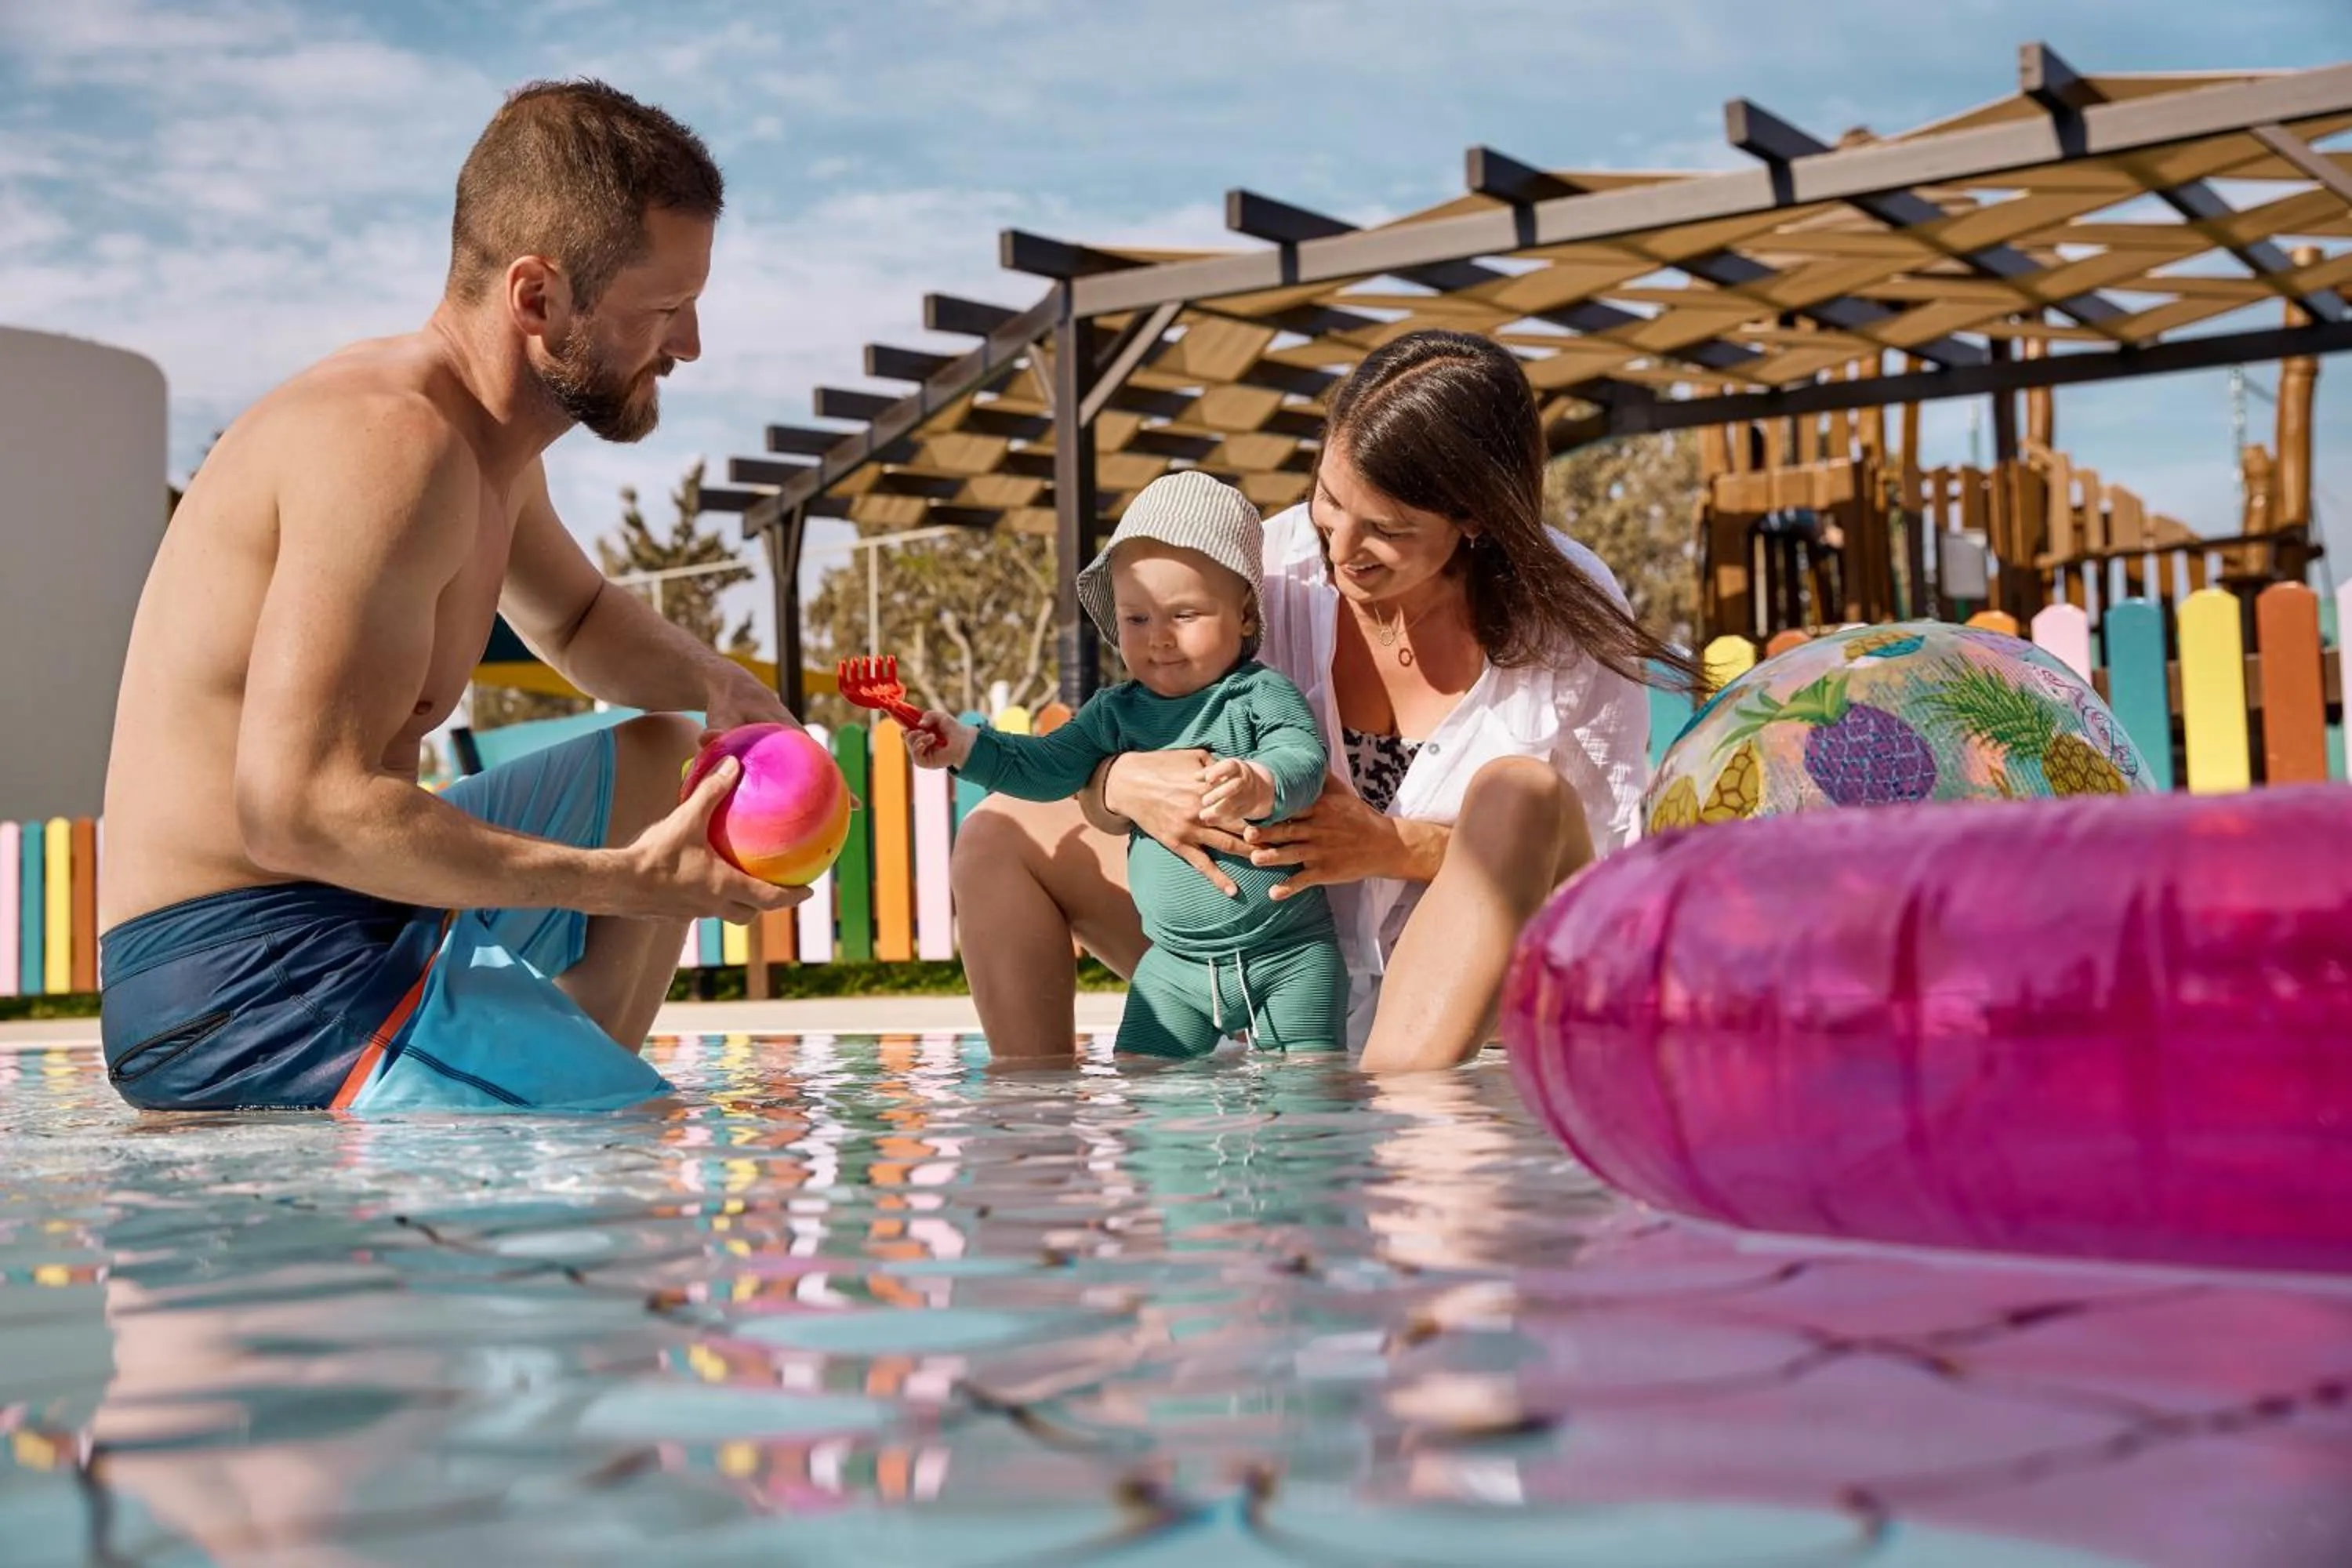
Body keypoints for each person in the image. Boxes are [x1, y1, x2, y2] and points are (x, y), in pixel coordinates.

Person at [95, 80, 802, 1114]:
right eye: (664, 310)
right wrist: (615, 880)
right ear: (537, 298)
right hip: (237, 977)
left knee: (663, 756)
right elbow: (296, 810)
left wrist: (720, 686)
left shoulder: (491, 452)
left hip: (353, 910)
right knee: (636, 1147)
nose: (689, 345)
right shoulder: (391, 447)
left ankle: (548, 1095)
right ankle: (561, 1116)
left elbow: (579, 620)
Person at [949, 329, 1696, 1073]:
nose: (1341, 549)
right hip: (1261, 953)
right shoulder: (1262, 571)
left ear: (1476, 519)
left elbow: (1597, 878)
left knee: (1519, 791)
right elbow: (1118, 726)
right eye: (1329, 502)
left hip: (1476, 991)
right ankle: (1034, 1135)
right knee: (997, 834)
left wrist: (1389, 846)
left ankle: (1398, 1099)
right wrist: (1119, 783)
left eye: (1387, 530)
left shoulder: (1570, 612)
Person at [909, 471, 1348, 1059]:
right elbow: (1046, 767)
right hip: (1176, 967)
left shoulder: (1257, 695)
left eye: (1184, 615)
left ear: (1245, 616)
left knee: (1310, 1099)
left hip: (1290, 954)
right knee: (1142, 1086)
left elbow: (1303, 757)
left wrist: (1263, 781)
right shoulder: (1114, 713)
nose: (1159, 639)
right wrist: (967, 747)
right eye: (1137, 620)